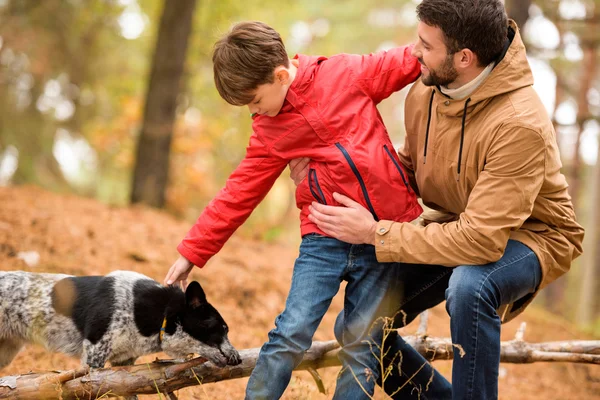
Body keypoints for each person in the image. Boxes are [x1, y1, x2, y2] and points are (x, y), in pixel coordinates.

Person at [292, 1, 585, 399]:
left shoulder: (519, 124)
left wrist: (376, 233)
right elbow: (410, 170)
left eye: (426, 46)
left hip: (532, 236)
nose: (414, 53)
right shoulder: (426, 92)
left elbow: (482, 241)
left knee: (471, 286)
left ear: (464, 57)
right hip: (456, 222)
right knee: (357, 325)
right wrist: (329, 173)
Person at [162, 21, 452, 399]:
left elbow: (407, 60)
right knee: (291, 331)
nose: (255, 112)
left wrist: (452, 34)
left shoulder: (345, 74)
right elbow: (238, 193)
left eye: (255, 101)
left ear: (281, 75)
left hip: (383, 236)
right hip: (323, 241)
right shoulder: (269, 129)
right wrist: (191, 253)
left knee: (364, 342)